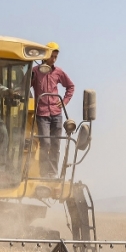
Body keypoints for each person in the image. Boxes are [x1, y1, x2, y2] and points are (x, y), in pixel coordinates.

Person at [31, 42, 75, 177]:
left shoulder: (58, 72)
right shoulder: (35, 71)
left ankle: (53, 174)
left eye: (55, 57)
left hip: (56, 113)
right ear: (45, 55)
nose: (53, 59)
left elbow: (71, 86)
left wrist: (65, 101)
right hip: (42, 113)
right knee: (45, 143)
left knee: (55, 144)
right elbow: (25, 86)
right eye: (52, 56)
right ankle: (44, 174)